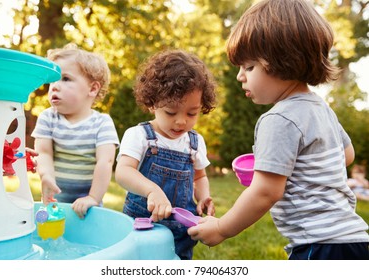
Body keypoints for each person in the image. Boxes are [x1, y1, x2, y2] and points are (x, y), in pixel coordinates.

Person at [188, 0, 369, 260]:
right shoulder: (321, 107)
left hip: (319, 245)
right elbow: (346, 155)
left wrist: (221, 228)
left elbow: (266, 192)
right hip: (351, 239)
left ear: (284, 61)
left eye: (249, 67)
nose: (240, 76)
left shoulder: (279, 118)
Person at [115, 50, 217, 259]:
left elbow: (199, 176)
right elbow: (123, 172)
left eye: (192, 113)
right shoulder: (139, 135)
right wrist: (152, 190)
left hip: (181, 231)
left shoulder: (194, 142)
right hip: (143, 226)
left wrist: (204, 197)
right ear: (152, 103)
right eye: (171, 112)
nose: (181, 121)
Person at [32, 43, 119, 219]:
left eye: (65, 79)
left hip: (88, 205)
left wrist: (93, 197)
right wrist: (46, 176)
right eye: (52, 81)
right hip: (54, 200)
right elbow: (44, 153)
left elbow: (105, 161)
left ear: (92, 89)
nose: (55, 86)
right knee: (52, 238)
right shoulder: (48, 118)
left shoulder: (102, 123)